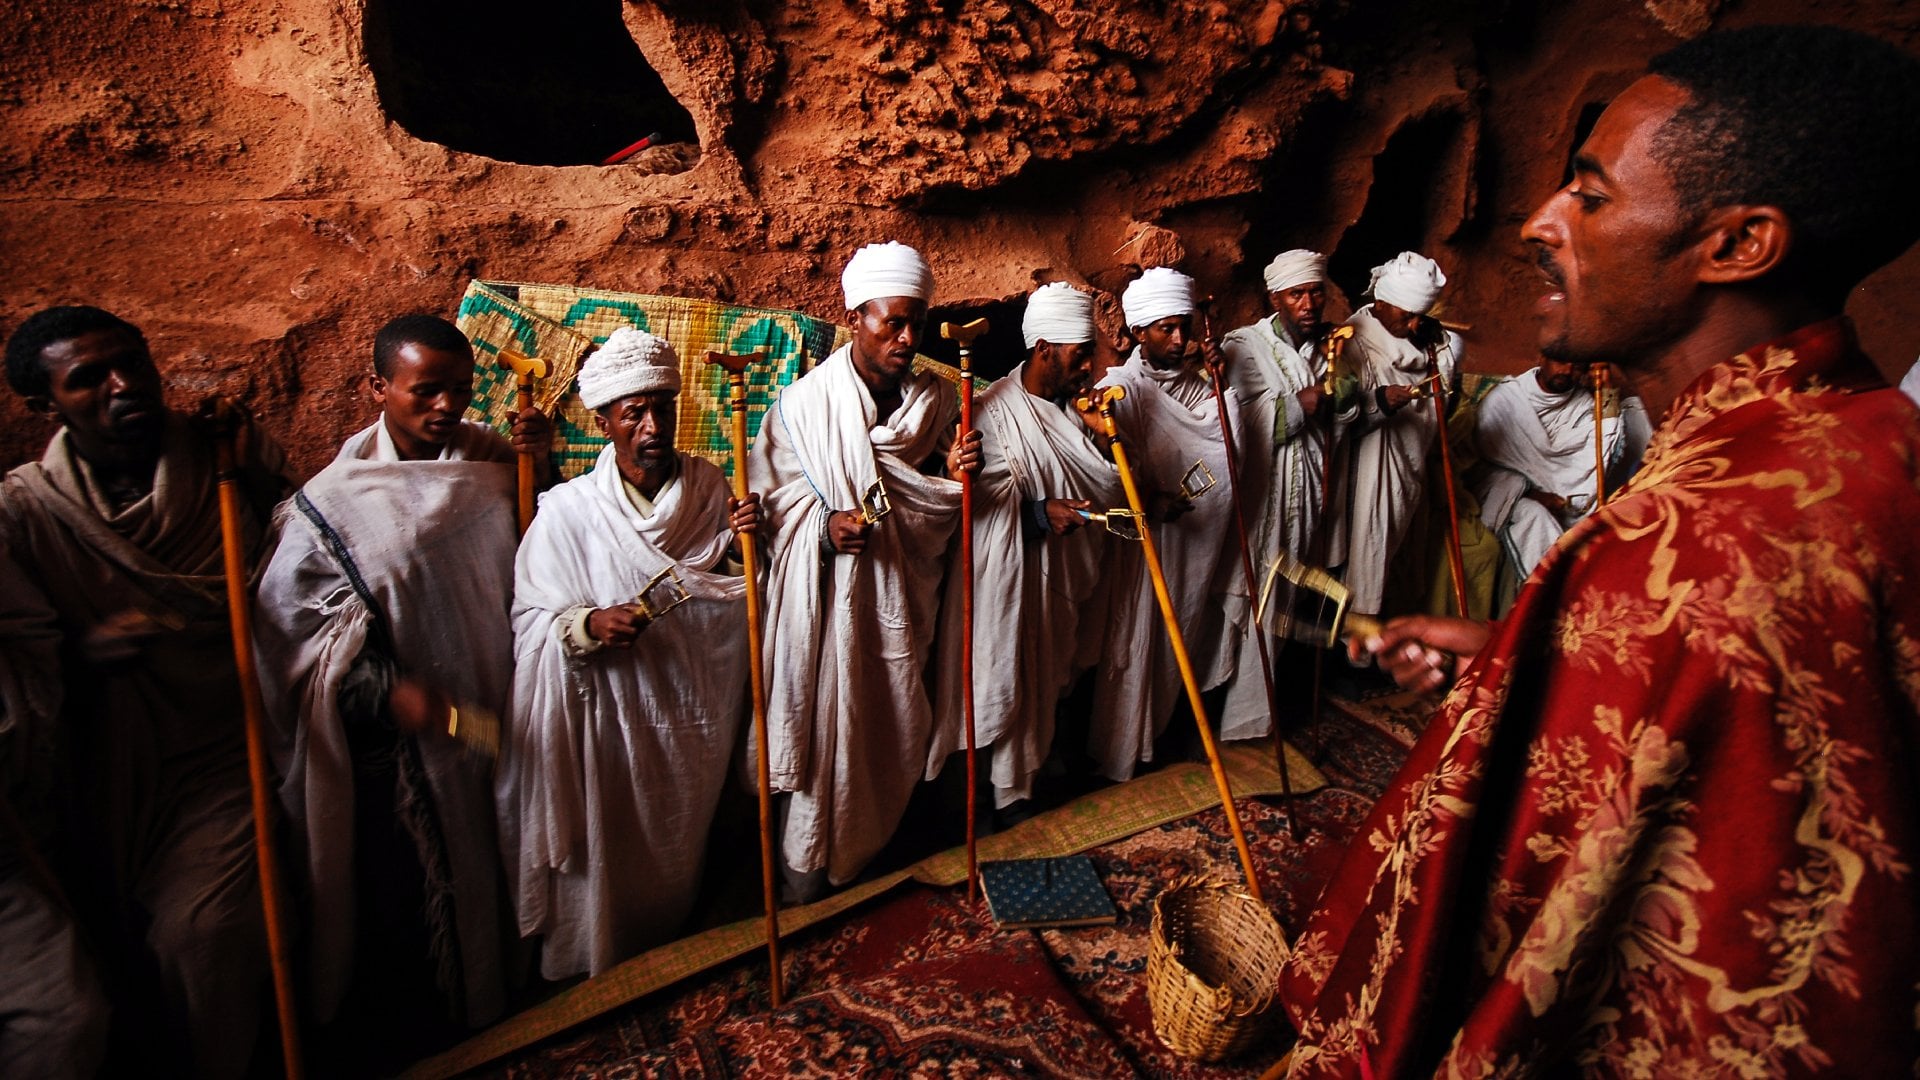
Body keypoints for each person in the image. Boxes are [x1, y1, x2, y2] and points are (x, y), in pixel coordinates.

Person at [1281, 25, 1920, 1076]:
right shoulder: (1859, 437)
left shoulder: (1707, 539)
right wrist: (1528, 653)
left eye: (1591, 194)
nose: (1539, 222)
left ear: (1738, 245)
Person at [0, 305, 286, 1078]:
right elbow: (22, 665)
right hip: (108, 761)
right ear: (43, 406)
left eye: (132, 363)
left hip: (225, 745)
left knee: (201, 934)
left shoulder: (224, 456)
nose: (123, 386)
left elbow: (305, 567)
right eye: (88, 379)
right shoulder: (26, 511)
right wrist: (87, 655)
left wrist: (252, 467)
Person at [253, 315, 549, 1059]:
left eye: (459, 389)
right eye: (426, 391)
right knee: (429, 887)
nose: (446, 407)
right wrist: (386, 692)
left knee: (516, 840)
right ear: (378, 387)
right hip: (422, 735)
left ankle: (520, 993)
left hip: (508, 697)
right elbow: (294, 628)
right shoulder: (337, 503)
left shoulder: (491, 457)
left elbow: (541, 548)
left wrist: (539, 472)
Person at [501, 327, 760, 979]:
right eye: (633, 412)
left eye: (661, 407)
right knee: (610, 859)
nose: (651, 425)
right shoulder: (566, 513)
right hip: (610, 730)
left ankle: (674, 957)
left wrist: (745, 545)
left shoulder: (708, 488)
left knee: (678, 856)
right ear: (603, 422)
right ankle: (599, 969)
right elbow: (534, 618)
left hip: (691, 719)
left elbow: (730, 591)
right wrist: (588, 625)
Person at [749, 241, 974, 899]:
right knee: (830, 740)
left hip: (905, 608)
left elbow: (937, 498)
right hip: (832, 621)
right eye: (891, 323)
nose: (907, 338)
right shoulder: (803, 408)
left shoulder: (934, 403)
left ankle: (875, 860)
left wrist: (951, 473)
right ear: (855, 317)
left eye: (916, 324)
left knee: (895, 728)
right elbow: (766, 514)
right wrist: (821, 531)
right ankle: (809, 875)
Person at [925, 282, 1119, 812]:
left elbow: (1106, 481)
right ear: (1043, 351)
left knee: (1046, 689)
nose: (1087, 368)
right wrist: (1038, 514)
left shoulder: (1078, 412)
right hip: (1002, 591)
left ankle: (1029, 781)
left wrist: (1102, 441)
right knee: (994, 686)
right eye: (1080, 356)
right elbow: (972, 511)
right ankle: (983, 804)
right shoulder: (989, 414)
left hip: (1060, 585)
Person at [1087, 266, 1245, 779]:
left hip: (1193, 549)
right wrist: (1149, 497)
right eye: (1166, 329)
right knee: (1132, 642)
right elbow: (1106, 470)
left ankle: (1158, 736)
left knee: (1183, 636)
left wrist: (1223, 386)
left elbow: (1228, 453)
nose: (1181, 340)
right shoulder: (1119, 390)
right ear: (1138, 333)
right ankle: (1116, 755)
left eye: (1185, 327)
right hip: (1138, 552)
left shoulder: (1201, 387)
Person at [1216, 249, 1361, 737]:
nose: (1308, 302)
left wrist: (1339, 393)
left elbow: (1347, 412)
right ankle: (1231, 720)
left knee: (1284, 602)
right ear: (1274, 297)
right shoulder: (1248, 347)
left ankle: (1260, 714)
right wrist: (1299, 404)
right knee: (1254, 596)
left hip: (1308, 496)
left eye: (1315, 291)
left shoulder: (1330, 347)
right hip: (1264, 496)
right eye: (1296, 293)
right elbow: (1236, 425)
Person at [1338, 251, 1463, 617]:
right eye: (1406, 316)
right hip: (1365, 471)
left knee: (1400, 559)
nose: (1412, 326)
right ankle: (1354, 653)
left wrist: (1440, 351)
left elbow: (1445, 402)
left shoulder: (1435, 342)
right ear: (1381, 302)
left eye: (1419, 317)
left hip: (1413, 465)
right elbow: (1339, 418)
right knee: (1364, 555)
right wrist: (1380, 401)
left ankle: (1388, 645)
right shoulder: (1352, 341)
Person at [1472, 356, 1650, 585]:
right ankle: (1551, 593)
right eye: (1560, 362)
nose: (1566, 371)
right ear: (1542, 359)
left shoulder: (1584, 406)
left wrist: (1607, 395)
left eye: (1576, 367)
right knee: (1535, 516)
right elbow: (1480, 466)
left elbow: (1593, 460)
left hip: (1569, 501)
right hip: (1504, 493)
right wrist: (1526, 491)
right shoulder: (1506, 400)